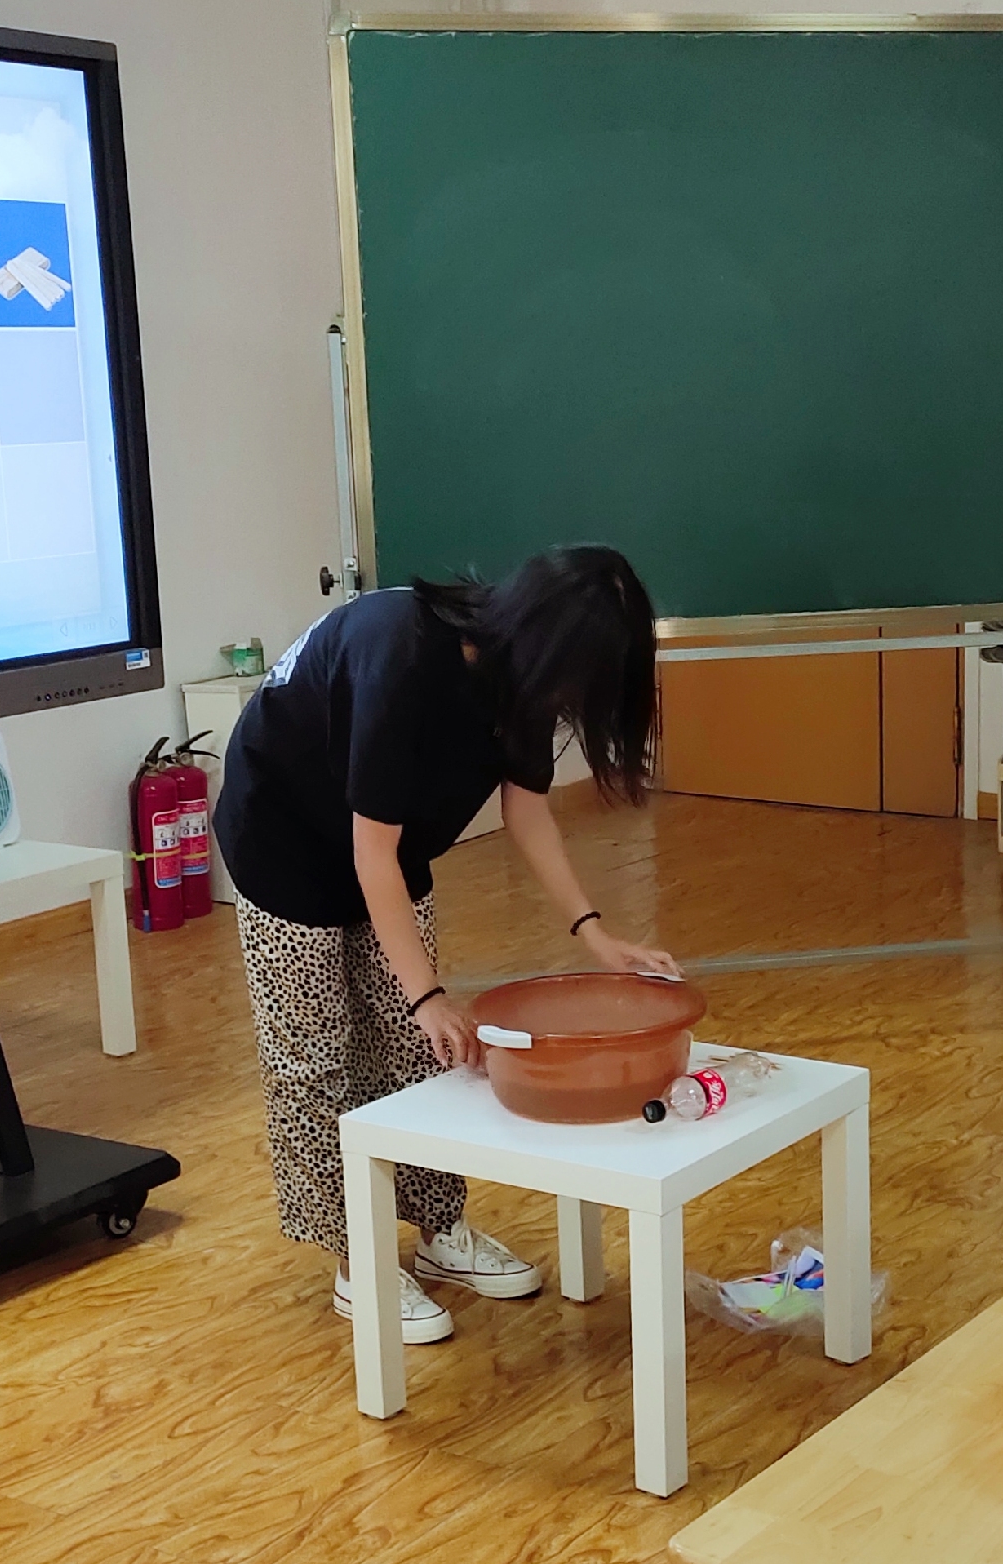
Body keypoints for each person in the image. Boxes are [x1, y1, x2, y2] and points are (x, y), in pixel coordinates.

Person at [215, 547, 680, 1344]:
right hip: (284, 840)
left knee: (419, 1048)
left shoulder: (520, 678)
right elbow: (370, 854)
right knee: (316, 1058)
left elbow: (526, 810)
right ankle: (359, 1260)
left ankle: (439, 1231)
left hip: (388, 846)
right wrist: (428, 993)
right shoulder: (401, 654)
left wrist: (595, 931)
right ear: (550, 646)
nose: (575, 705)